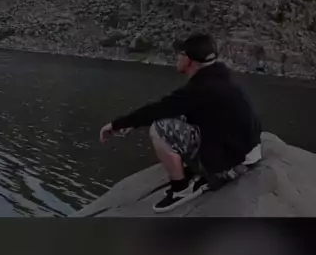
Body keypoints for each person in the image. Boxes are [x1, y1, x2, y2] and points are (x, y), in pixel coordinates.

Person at [100, 33, 262, 212]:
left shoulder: (200, 88)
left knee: (160, 128)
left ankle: (181, 189)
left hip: (234, 162)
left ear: (189, 60)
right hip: (248, 151)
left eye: (180, 54)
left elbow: (159, 108)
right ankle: (204, 169)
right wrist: (133, 123)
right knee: (177, 116)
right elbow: (176, 109)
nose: (176, 57)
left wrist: (116, 125)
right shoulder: (221, 77)